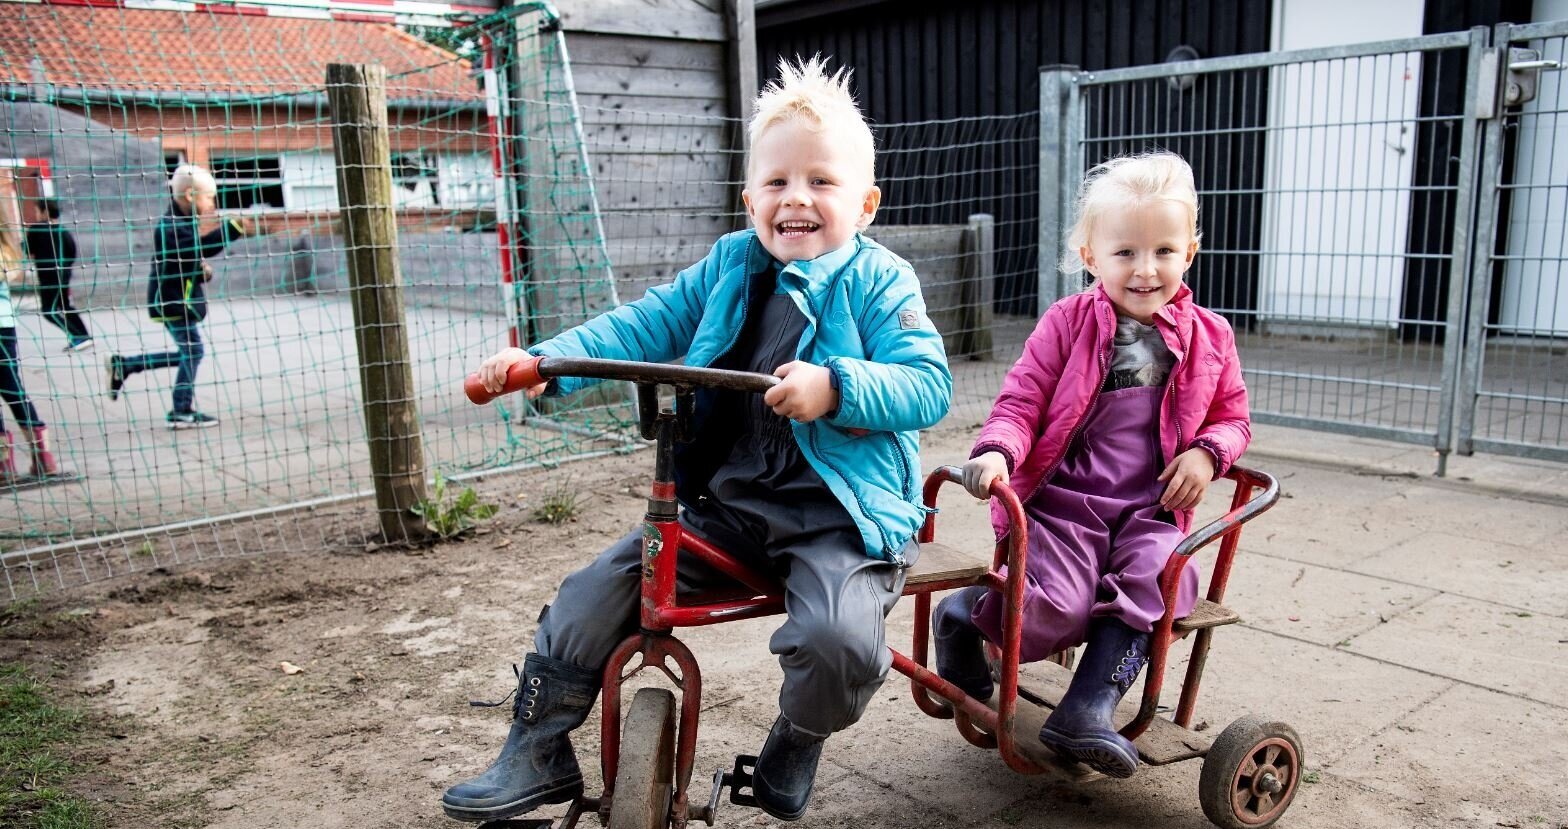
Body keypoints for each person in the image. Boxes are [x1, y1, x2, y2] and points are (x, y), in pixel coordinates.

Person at [443, 57, 952, 824]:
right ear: (750, 198)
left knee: (837, 643)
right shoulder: (729, 265)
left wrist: (836, 385)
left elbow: (928, 382)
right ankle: (538, 743)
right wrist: (547, 362)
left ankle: (802, 730)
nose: (797, 199)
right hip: (734, 504)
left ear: (866, 203)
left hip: (841, 517)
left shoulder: (882, 282)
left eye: (821, 181)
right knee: (593, 591)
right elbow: (643, 324)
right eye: (777, 183)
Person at [931, 152, 1250, 779]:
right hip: (1065, 504)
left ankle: (1086, 710)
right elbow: (1021, 401)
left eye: (1163, 250)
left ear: (1189, 252)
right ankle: (961, 615)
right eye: (1125, 252)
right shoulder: (1067, 323)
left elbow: (1233, 417)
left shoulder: (1212, 336)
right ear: (1090, 256)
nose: (1145, 269)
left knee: (1162, 584)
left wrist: (1210, 453)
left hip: (1148, 511)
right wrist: (996, 451)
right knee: (1056, 609)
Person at [104, 165, 260, 428]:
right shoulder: (171, 226)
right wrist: (232, 227)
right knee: (193, 352)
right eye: (209, 197)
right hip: (172, 302)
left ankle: (126, 366)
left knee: (190, 352)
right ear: (190, 195)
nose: (212, 203)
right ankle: (181, 410)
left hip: (176, 300)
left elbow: (185, 260)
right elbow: (201, 248)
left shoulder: (181, 222)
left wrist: (202, 273)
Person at [0, 233, 59, 481]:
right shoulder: (5, 247)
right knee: (12, 386)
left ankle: (4, 464)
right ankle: (42, 457)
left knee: (11, 386)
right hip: (5, 324)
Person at [24, 198, 93, 352]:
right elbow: (72, 252)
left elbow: (28, 252)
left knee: (49, 311)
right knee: (65, 306)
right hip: (64, 275)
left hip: (48, 277)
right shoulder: (63, 230)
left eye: (37, 211)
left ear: (45, 212)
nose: (36, 214)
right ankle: (84, 336)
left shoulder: (37, 229)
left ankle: (77, 336)